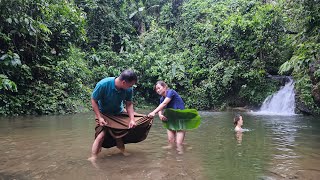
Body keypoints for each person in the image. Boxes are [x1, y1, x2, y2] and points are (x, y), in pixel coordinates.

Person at [88, 69, 141, 161]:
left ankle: (122, 151)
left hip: (118, 112)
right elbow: (93, 100)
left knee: (119, 132)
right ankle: (93, 157)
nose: (131, 87)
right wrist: (99, 117)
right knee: (101, 135)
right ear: (123, 82)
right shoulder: (103, 84)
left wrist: (132, 119)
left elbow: (129, 104)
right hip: (103, 113)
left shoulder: (128, 89)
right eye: (130, 85)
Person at [148, 81, 186, 153]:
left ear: (165, 87)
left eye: (159, 88)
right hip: (171, 119)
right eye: (156, 89)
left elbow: (164, 103)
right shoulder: (161, 99)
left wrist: (153, 112)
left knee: (178, 144)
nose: (158, 90)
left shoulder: (171, 92)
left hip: (180, 118)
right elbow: (161, 107)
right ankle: (170, 159)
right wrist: (160, 115)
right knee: (170, 142)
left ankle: (180, 161)